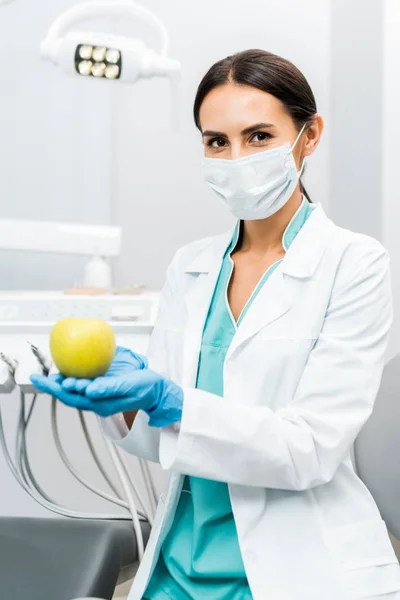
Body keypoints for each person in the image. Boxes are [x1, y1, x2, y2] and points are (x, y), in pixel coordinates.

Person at [31, 49, 400, 600]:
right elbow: (163, 442)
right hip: (178, 564)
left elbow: (311, 449)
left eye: (258, 137)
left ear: (310, 134)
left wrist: (172, 400)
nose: (235, 158)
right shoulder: (191, 265)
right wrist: (123, 404)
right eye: (216, 142)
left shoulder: (354, 264)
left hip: (293, 567)